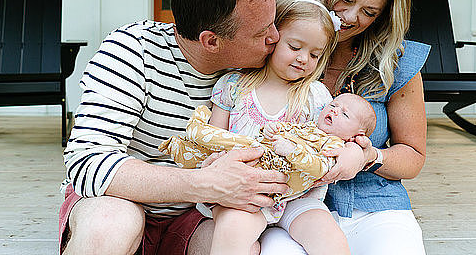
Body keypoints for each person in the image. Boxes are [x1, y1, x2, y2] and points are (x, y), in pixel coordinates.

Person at [58, 0, 290, 255]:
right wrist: (207, 182)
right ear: (211, 41)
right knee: (109, 224)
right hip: (120, 203)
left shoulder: (264, 68)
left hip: (197, 216)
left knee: (242, 245)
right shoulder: (132, 51)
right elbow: (88, 164)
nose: (276, 38)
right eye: (262, 33)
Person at [259, 0, 430, 255]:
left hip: (373, 205)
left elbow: (413, 157)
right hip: (284, 208)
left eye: (368, 11)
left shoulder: (398, 63)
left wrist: (369, 157)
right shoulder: (280, 43)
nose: (350, 16)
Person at [161, 0, 354, 255]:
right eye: (295, 47)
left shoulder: (314, 95)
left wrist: (345, 151)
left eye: (315, 55)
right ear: (273, 38)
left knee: (331, 240)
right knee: (231, 236)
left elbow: (328, 139)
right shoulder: (234, 86)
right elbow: (214, 138)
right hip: (243, 195)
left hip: (296, 194)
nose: (303, 59)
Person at [159, 92, 377, 215]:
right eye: (334, 105)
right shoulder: (310, 127)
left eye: (344, 114)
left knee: (229, 148)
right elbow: (285, 130)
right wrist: (272, 130)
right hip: (265, 155)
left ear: (355, 135)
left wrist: (292, 151)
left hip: (273, 175)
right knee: (229, 149)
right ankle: (186, 147)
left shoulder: (335, 148)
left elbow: (317, 167)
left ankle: (196, 133)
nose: (334, 110)